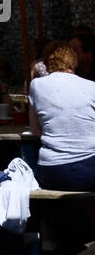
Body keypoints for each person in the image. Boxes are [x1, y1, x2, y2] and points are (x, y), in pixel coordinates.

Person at [28, 43, 95, 190]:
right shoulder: (92, 86)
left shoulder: (37, 85)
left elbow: (35, 130)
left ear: (46, 63)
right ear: (74, 62)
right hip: (91, 168)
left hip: (53, 170)